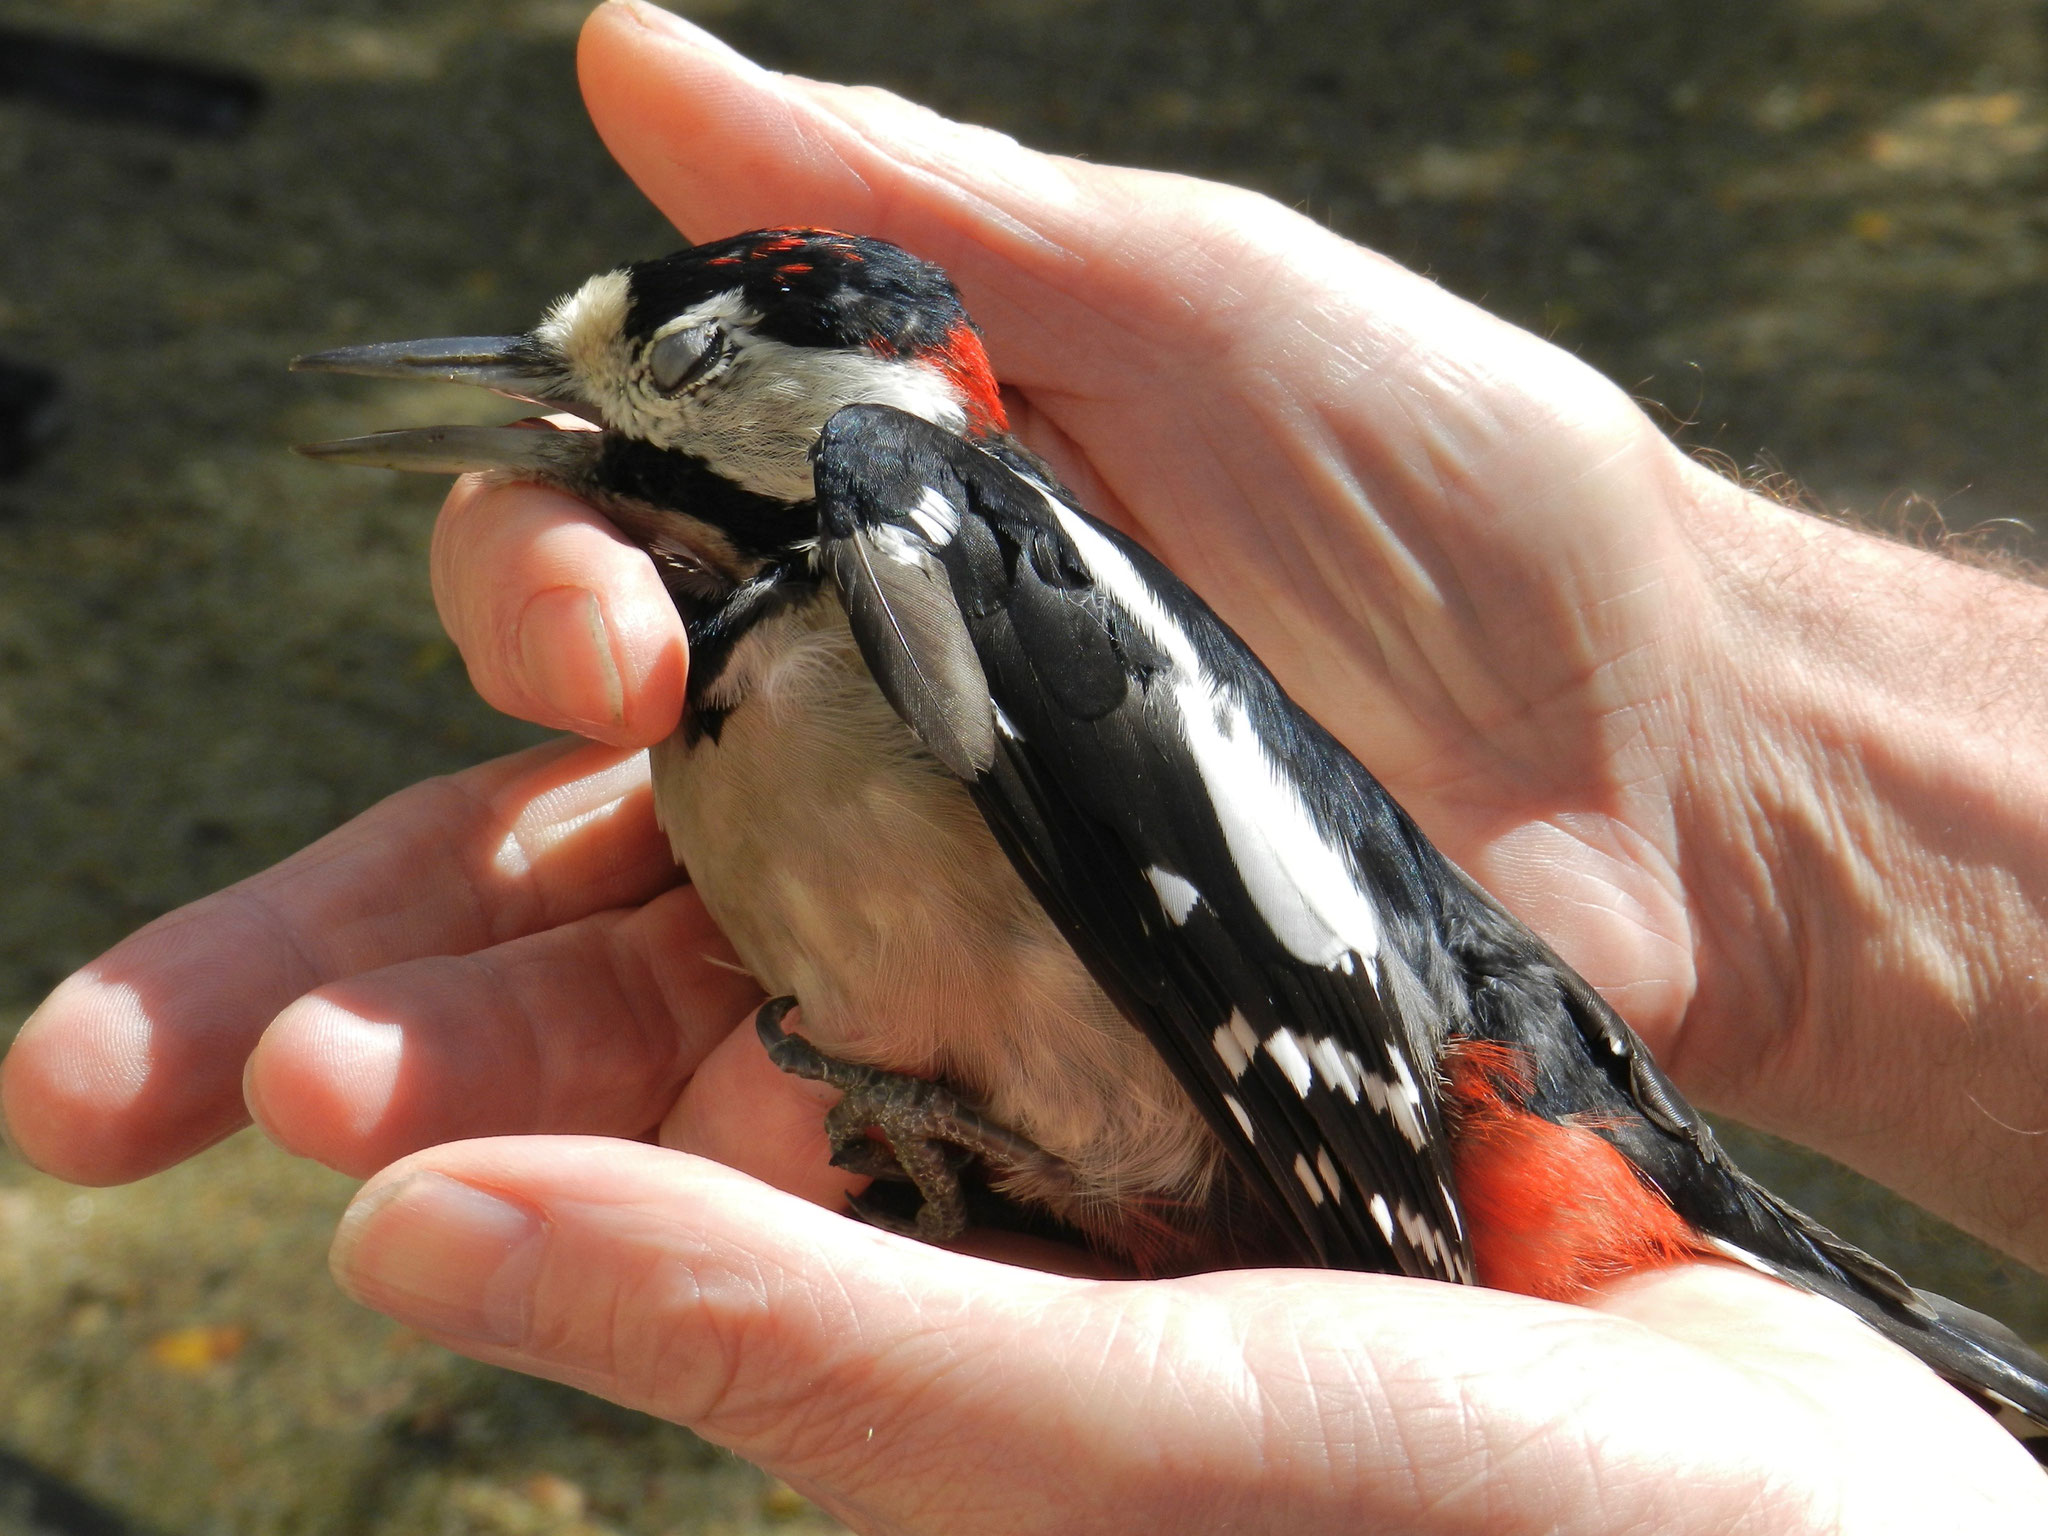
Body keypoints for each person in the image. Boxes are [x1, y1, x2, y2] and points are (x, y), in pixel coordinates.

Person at [7, 1, 2048, 1526]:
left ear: (880, 405)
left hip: (1421, 1127)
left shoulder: (916, 523)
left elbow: (1280, 1016)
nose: (569, 415)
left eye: (681, 373)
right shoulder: (789, 607)